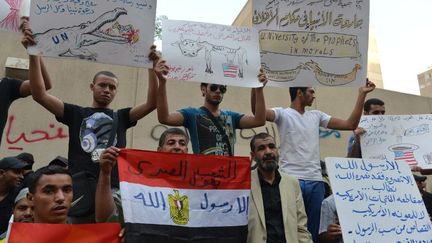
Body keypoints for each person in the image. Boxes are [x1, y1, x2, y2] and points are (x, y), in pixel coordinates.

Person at [22, 22, 159, 188]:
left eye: (112, 87)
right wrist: (33, 54)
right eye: (102, 85)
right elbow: (40, 95)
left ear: (116, 91)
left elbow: (152, 104)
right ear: (92, 87)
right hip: (79, 187)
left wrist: (151, 69)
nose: (107, 90)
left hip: (111, 188)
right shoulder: (74, 113)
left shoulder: (122, 117)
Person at [252, 81, 376, 242]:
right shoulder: (282, 114)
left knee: (314, 233)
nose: (314, 95)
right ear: (299, 93)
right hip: (290, 180)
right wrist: (257, 87)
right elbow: (257, 112)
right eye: (310, 91)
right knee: (290, 229)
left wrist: (362, 94)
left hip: (316, 182)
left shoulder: (317, 115)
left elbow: (350, 124)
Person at [156, 58, 267, 156]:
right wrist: (162, 82)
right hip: (202, 175)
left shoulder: (232, 117)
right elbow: (164, 118)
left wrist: (259, 89)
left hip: (227, 175)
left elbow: (259, 121)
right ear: (203, 89)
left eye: (222, 89)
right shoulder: (191, 114)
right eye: (213, 88)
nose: (218, 91)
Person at [95, 128, 189, 224]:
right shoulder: (141, 184)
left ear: (187, 151)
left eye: (182, 143)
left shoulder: (199, 186)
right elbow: (105, 218)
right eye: (171, 143)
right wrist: (105, 173)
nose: (177, 147)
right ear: (159, 151)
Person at [248, 133, 312, 243]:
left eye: (272, 146)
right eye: (261, 148)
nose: (268, 152)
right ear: (253, 155)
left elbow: (301, 228)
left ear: (277, 151)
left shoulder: (292, 183)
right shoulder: (244, 183)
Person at [0, 156, 27, 236]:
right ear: (1, 173)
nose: (22, 177)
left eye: (22, 173)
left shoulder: (19, 198)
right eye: (17, 172)